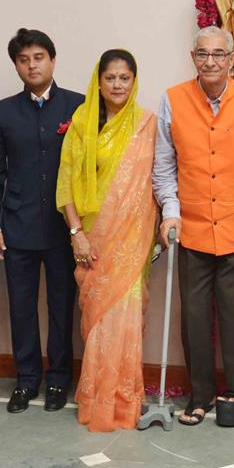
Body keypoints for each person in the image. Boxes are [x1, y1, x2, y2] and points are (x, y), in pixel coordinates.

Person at [152, 26, 234, 427]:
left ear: (232, 59)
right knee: (193, 316)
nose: (210, 62)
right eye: (203, 54)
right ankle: (200, 393)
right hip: (190, 228)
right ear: (193, 58)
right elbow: (164, 168)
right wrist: (170, 210)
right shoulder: (173, 100)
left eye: (218, 55)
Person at [0, 28, 84, 414]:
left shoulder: (79, 106)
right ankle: (26, 381)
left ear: (52, 60)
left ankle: (58, 379)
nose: (32, 65)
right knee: (21, 306)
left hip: (63, 229)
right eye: (24, 60)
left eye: (39, 57)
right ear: (16, 66)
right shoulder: (2, 111)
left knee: (61, 305)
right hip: (16, 226)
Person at [57, 49, 159, 431]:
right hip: (93, 238)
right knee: (97, 319)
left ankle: (123, 401)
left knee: (127, 317)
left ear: (134, 81)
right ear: (98, 81)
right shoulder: (83, 123)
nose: (117, 85)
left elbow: (155, 181)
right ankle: (99, 397)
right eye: (111, 78)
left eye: (125, 78)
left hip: (133, 241)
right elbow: (65, 184)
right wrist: (76, 234)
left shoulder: (147, 123)